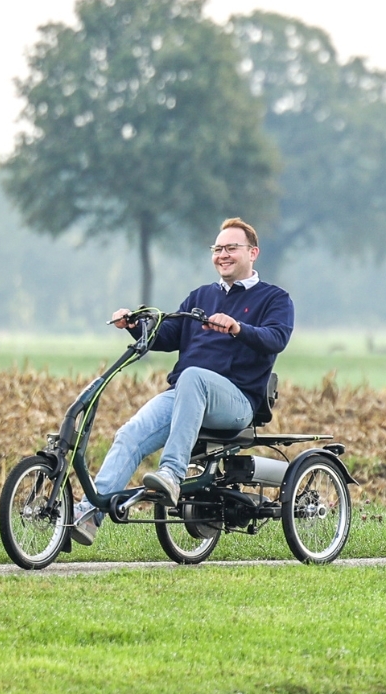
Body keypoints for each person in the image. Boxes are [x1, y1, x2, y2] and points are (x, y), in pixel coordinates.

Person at [72, 218, 293, 545]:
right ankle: (90, 513)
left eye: (231, 247)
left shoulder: (274, 299)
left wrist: (237, 328)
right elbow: (168, 334)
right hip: (186, 395)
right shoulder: (200, 296)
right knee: (130, 434)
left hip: (236, 402)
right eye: (217, 249)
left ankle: (171, 474)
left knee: (193, 377)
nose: (223, 255)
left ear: (253, 253)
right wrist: (135, 325)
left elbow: (276, 338)